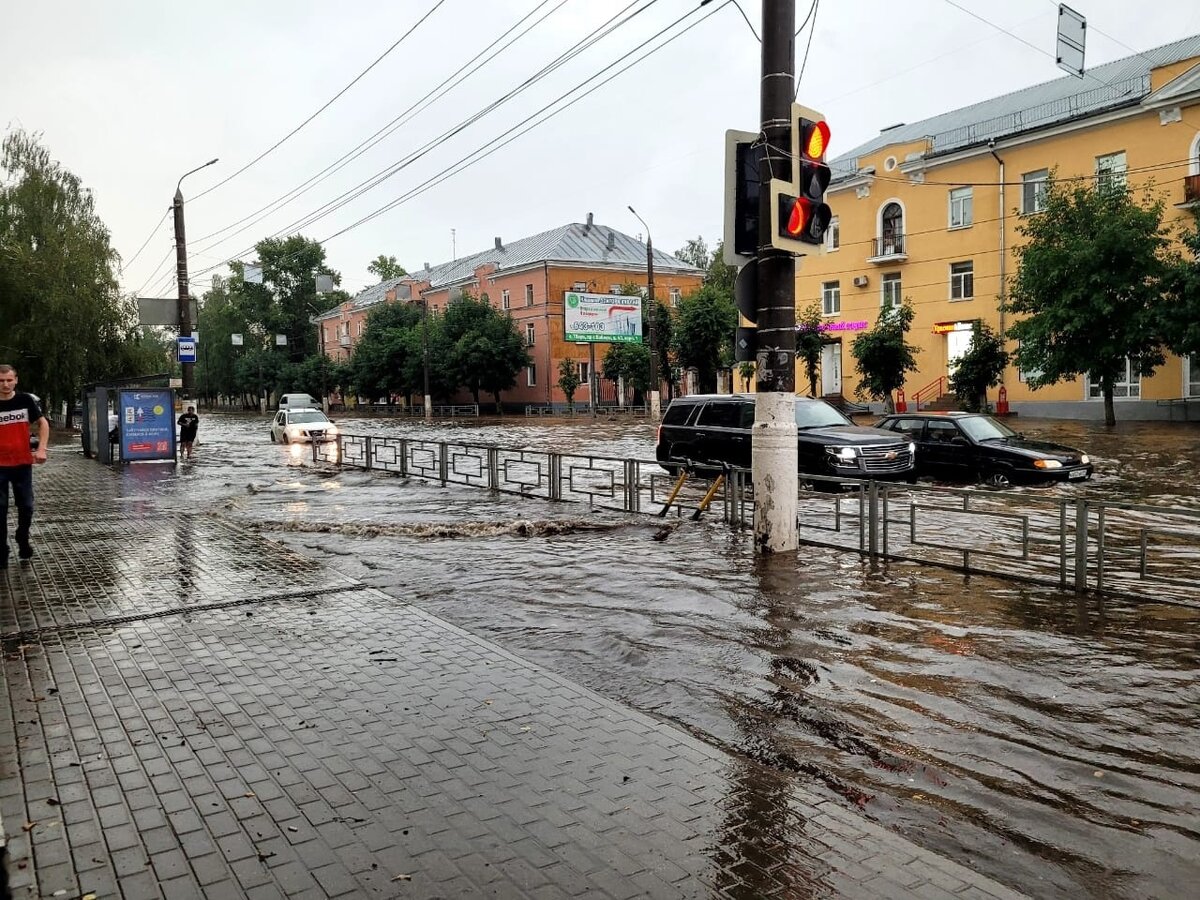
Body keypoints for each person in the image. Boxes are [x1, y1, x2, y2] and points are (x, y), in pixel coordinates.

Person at [0, 364, 49, 568]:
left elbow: (43, 423)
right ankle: (1, 550)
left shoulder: (25, 400)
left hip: (22, 464)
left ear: (16, 380)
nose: (5, 384)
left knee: (26, 506)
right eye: (1, 381)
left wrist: (42, 449)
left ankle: (22, 537)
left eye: (9, 380)